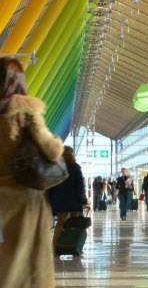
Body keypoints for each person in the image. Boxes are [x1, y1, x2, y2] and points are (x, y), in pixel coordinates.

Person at [0, 57, 64, 288]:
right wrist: (57, 139)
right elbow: (52, 150)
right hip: (23, 201)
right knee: (26, 265)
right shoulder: (25, 111)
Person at [47, 146, 88, 246]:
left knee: (60, 223)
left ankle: (55, 245)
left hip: (60, 200)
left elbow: (50, 185)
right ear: (71, 154)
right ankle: (72, 245)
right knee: (74, 223)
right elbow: (80, 186)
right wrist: (83, 201)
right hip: (74, 201)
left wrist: (49, 199)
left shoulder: (55, 167)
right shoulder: (75, 167)